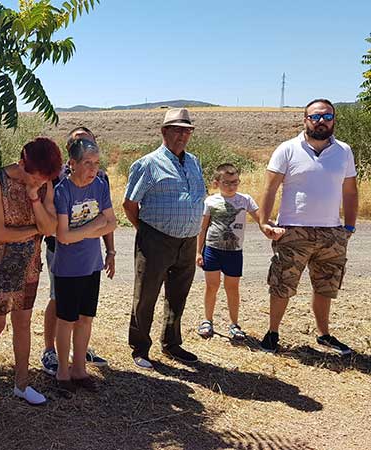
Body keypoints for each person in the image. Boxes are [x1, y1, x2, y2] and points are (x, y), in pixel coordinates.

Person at [257, 98, 357, 356]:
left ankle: (324, 335)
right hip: (293, 229)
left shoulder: (344, 151)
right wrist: (264, 221)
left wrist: (348, 227)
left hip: (331, 232)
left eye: (326, 117)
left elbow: (350, 190)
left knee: (326, 286)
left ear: (334, 120)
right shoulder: (287, 149)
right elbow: (270, 188)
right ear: (305, 120)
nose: (321, 121)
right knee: (282, 284)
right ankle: (272, 334)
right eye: (315, 117)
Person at [0, 137, 62, 408]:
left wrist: (35, 197)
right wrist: (34, 230)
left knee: (23, 323)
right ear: (23, 164)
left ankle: (21, 385)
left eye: (45, 179)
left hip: (28, 265)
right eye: (36, 177)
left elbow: (50, 228)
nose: (40, 181)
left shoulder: (44, 183)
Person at [123, 108, 207, 370]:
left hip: (188, 239)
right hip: (156, 239)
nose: (183, 135)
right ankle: (140, 347)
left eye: (187, 130)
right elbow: (129, 204)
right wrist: (146, 231)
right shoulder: (147, 164)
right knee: (146, 294)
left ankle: (171, 343)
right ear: (164, 131)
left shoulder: (193, 161)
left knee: (178, 294)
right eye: (177, 129)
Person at [41, 126, 114, 376]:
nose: (92, 166)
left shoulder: (100, 180)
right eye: (78, 141)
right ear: (71, 156)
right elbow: (57, 230)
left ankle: (79, 360)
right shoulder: (58, 179)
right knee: (59, 302)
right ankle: (52, 352)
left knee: (84, 313)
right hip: (60, 253)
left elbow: (110, 221)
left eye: (88, 140)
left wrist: (110, 250)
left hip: (90, 256)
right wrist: (94, 226)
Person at [195, 163, 261, 340]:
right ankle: (207, 321)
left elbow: (260, 218)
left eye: (235, 182)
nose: (232, 186)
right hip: (212, 249)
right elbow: (203, 228)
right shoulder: (210, 201)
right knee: (211, 286)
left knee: (232, 288)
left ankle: (234, 324)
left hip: (234, 251)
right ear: (217, 183)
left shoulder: (245, 200)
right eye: (227, 183)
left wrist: (271, 226)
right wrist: (198, 252)